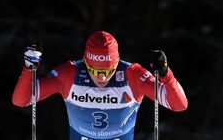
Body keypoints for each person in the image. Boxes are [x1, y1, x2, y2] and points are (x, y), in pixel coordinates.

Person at [12, 31, 188, 140]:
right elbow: (22, 100)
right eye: (95, 71)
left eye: (108, 70)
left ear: (117, 63)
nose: (102, 78)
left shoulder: (132, 75)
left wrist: (165, 74)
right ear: (86, 63)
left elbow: (179, 105)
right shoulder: (70, 73)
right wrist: (29, 69)